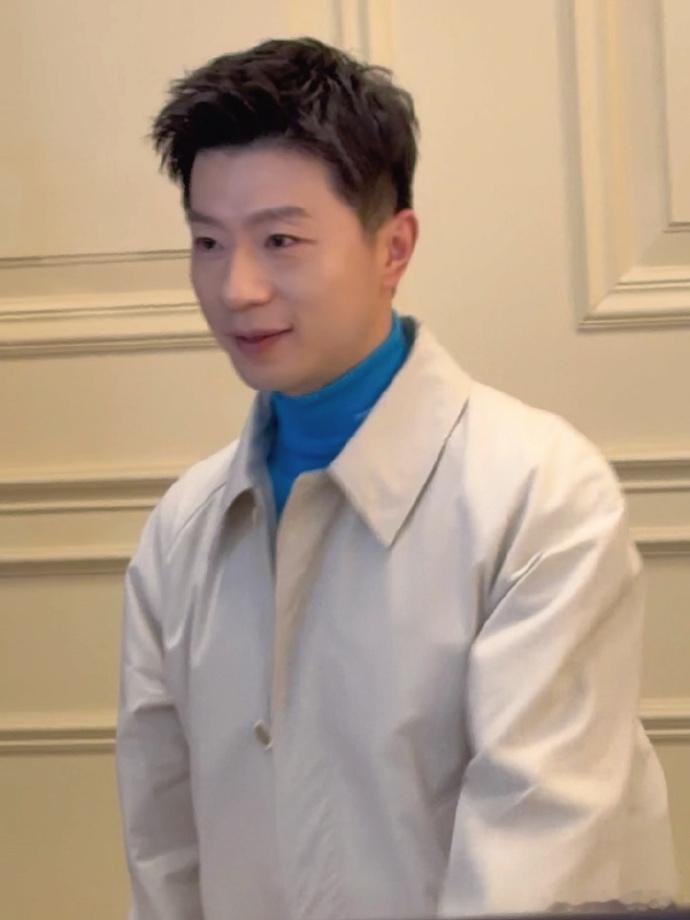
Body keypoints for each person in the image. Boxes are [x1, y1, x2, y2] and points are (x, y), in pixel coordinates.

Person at [115, 36, 678, 920]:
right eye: (208, 242)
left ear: (394, 247)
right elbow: (165, 851)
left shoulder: (537, 495)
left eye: (281, 240)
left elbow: (536, 865)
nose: (238, 287)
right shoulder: (182, 531)